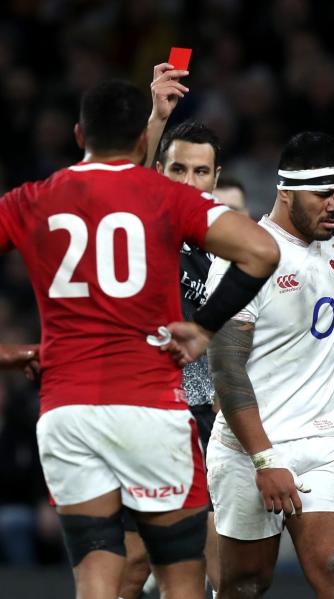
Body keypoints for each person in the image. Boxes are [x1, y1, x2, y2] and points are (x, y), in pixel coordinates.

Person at [0, 79, 280, 599]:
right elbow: (261, 251)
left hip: (67, 412)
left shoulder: (35, 198)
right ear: (142, 143)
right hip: (151, 407)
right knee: (182, 573)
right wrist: (202, 327)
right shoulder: (167, 196)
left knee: (96, 576)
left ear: (77, 133)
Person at [204, 131, 334, 598]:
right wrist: (265, 460)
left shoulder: (329, 251)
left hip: (323, 443)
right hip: (250, 446)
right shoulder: (246, 254)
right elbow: (225, 368)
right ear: (285, 191)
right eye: (322, 194)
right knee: (245, 585)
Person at [117, 63, 229, 599]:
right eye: (177, 171)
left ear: (216, 177)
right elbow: (126, 183)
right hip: (149, 409)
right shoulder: (146, 226)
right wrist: (157, 116)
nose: (189, 182)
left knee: (209, 572)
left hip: (213, 419)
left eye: (201, 172)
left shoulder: (236, 243)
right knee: (133, 560)